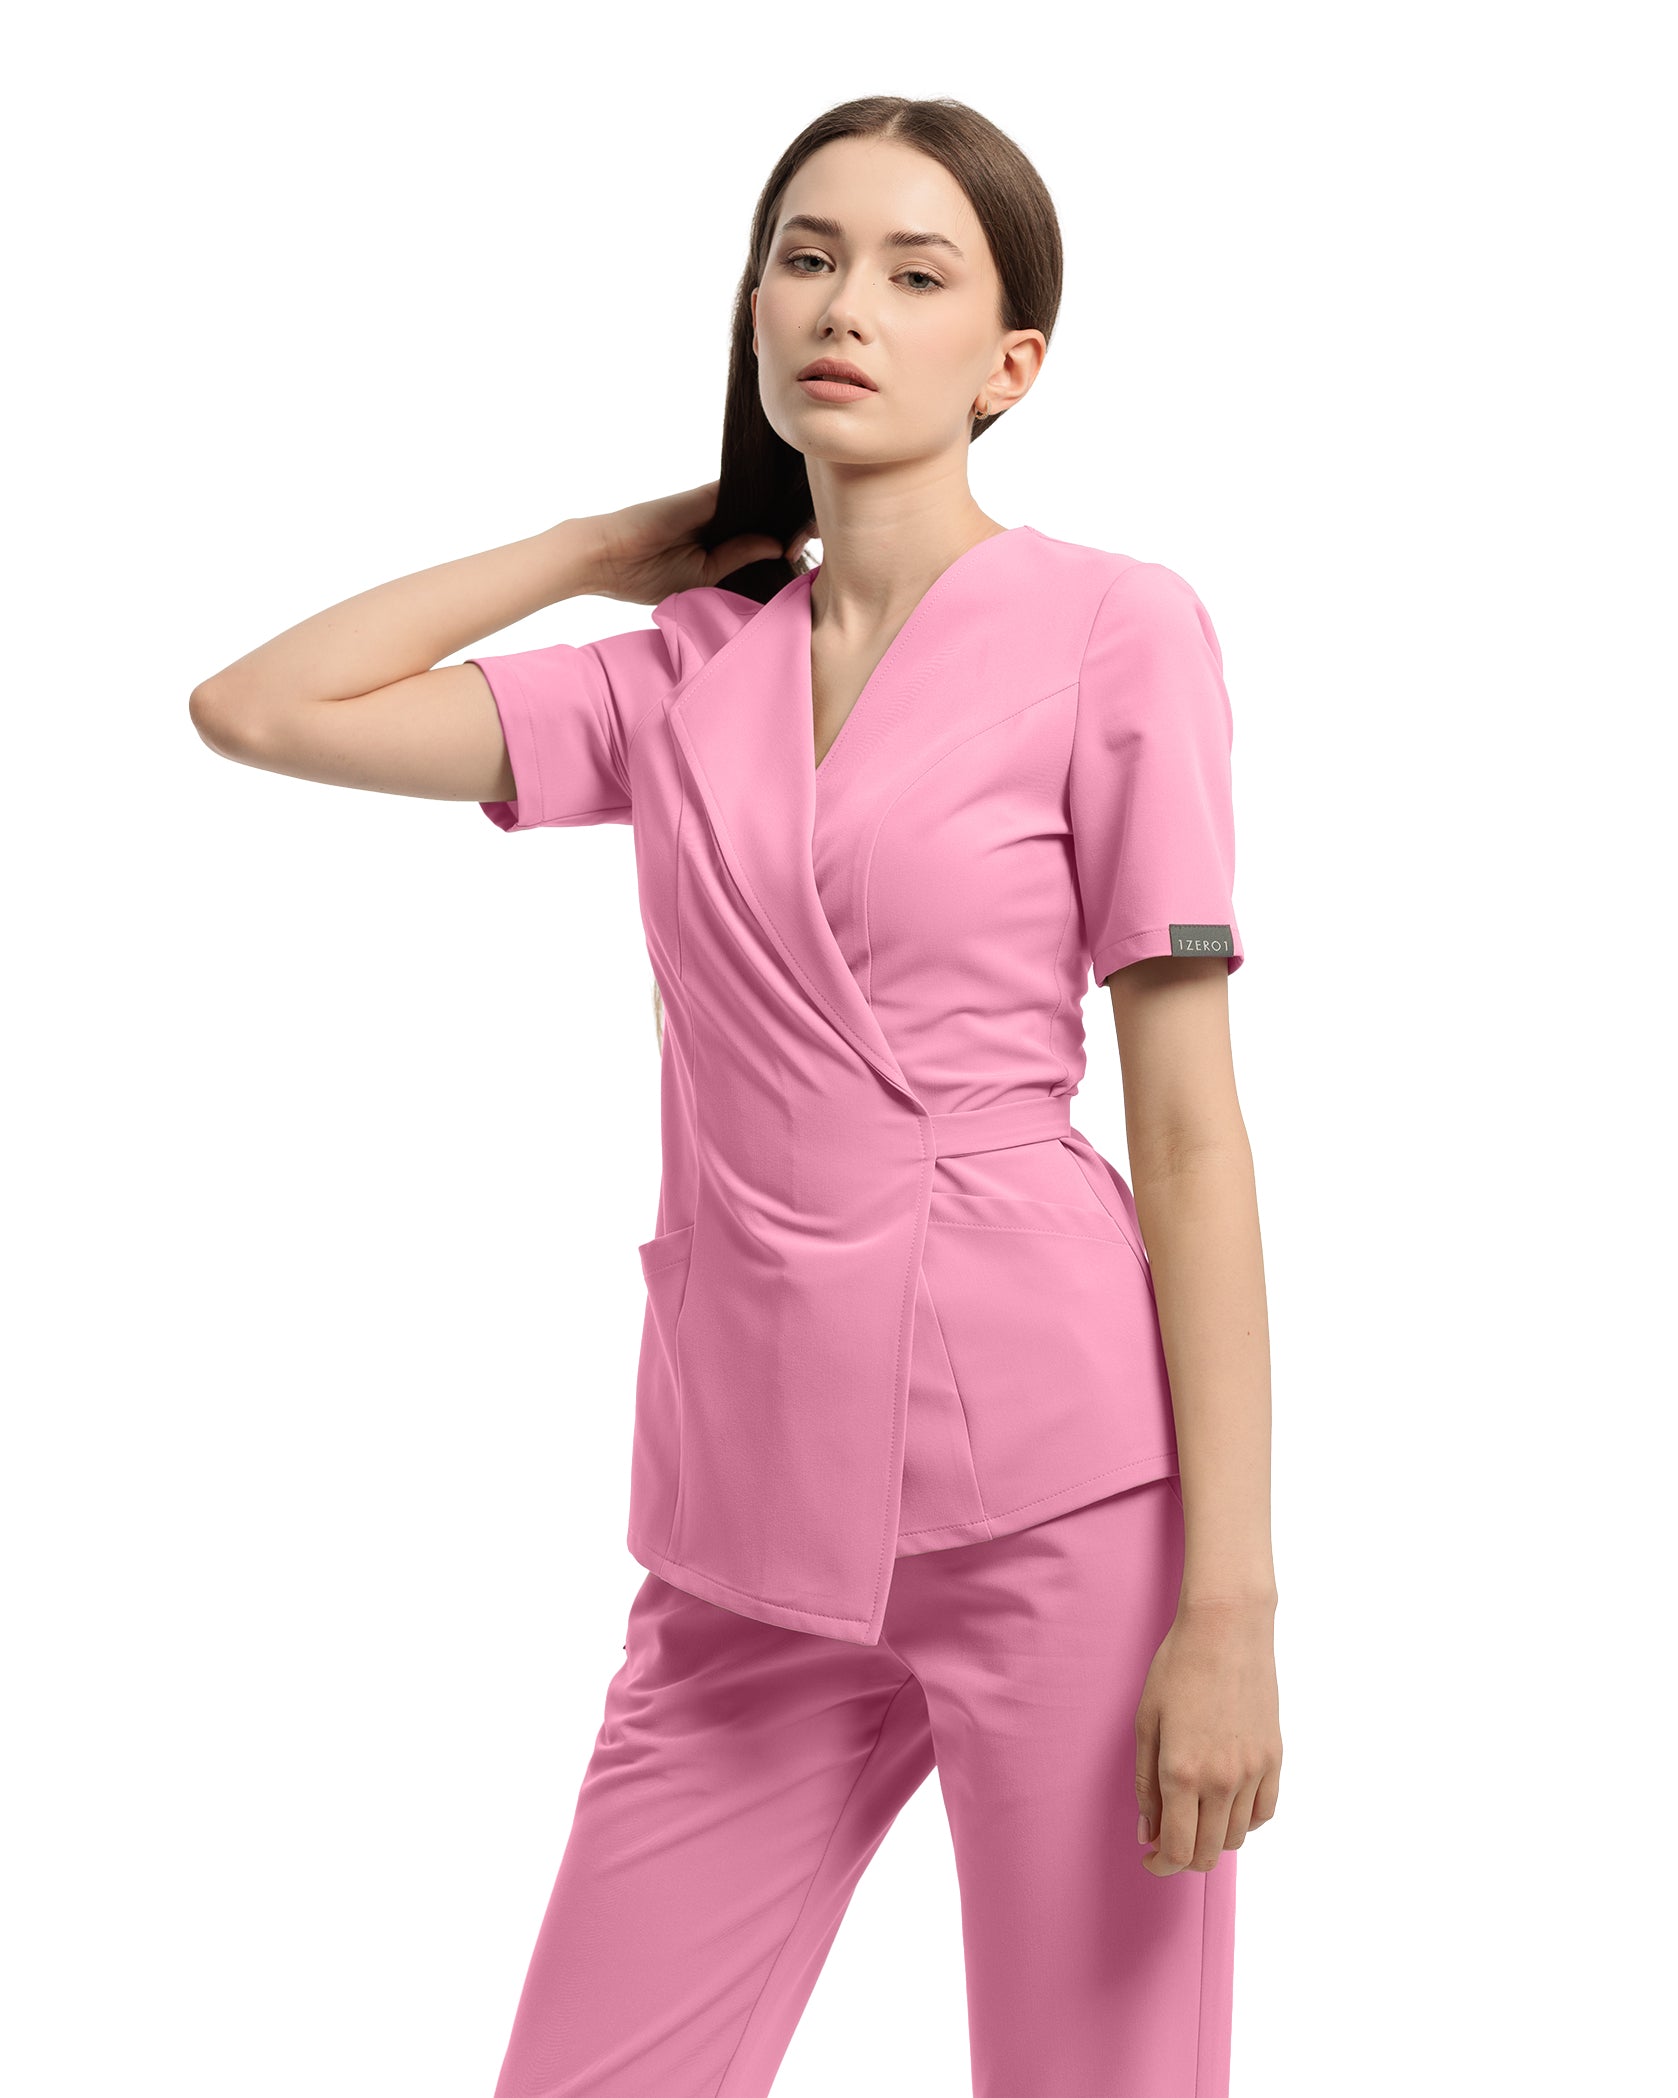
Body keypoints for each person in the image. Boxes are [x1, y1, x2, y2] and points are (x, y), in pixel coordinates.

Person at [190, 93, 1281, 2098]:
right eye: (804, 256)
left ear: (1009, 363)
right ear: (754, 308)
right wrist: (606, 547)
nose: (843, 304)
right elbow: (259, 707)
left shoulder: (1116, 629)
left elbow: (1191, 1133)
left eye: (913, 272)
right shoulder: (678, 673)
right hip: (744, 1512)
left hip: (1048, 1488)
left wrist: (1228, 1604)